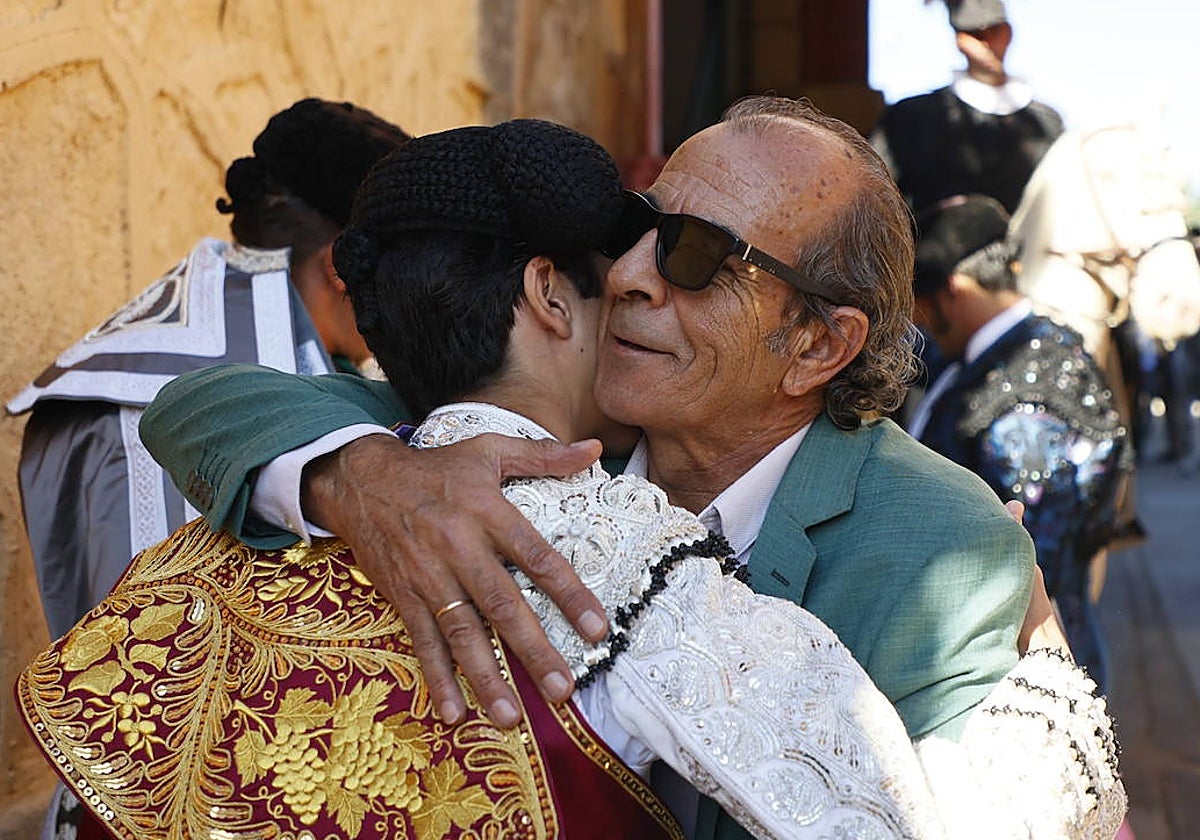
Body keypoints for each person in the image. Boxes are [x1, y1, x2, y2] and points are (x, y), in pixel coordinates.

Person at [19, 118, 1124, 840]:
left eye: (693, 256)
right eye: (637, 234)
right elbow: (205, 405)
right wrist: (362, 478)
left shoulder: (940, 547)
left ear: (818, 345)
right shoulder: (486, 446)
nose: (636, 275)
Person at [7, 98, 409, 642]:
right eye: (402, 267)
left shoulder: (317, 356)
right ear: (340, 266)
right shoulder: (140, 402)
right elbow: (152, 668)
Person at [907, 193, 1133, 692]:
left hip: (1015, 671)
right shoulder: (1007, 350)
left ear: (955, 289)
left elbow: (1029, 560)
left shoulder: (1035, 386)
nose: (918, 319)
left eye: (921, 303)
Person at [869, 0, 1063, 216]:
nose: (987, 44)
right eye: (976, 35)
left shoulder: (1047, 124)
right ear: (958, 39)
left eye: (995, 31)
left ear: (1008, 33)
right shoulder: (912, 118)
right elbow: (877, 198)